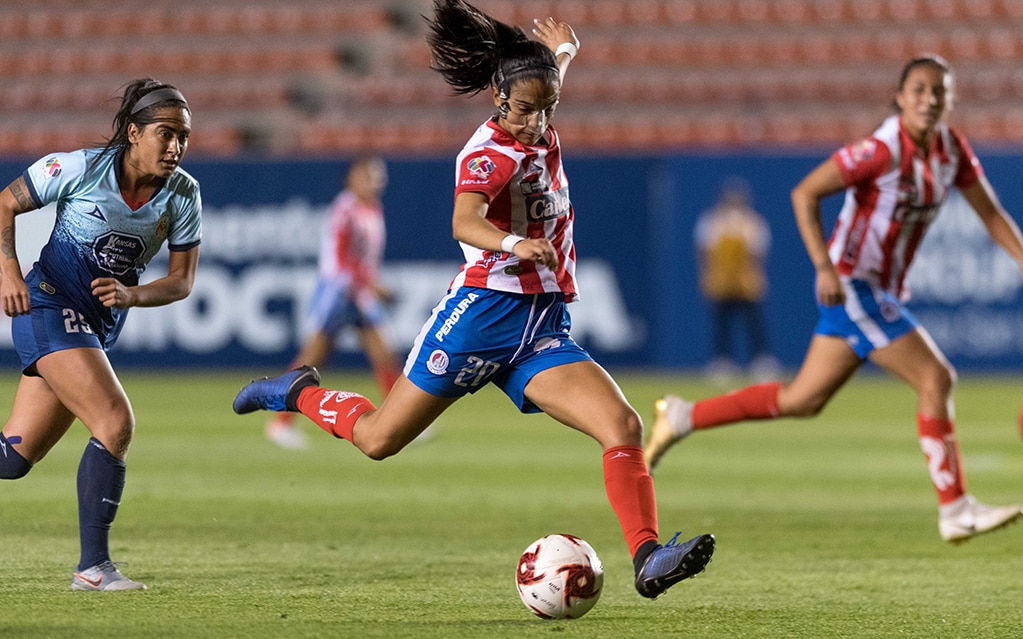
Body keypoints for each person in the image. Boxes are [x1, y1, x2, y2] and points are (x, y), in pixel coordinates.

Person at [234, 0, 714, 599]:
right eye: (525, 108)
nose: (536, 121)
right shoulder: (489, 153)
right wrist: (516, 243)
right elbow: (464, 221)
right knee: (379, 440)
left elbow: (542, 83)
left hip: (539, 328)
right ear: (497, 98)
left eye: (547, 107)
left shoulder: (534, 104)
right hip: (481, 317)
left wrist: (563, 53)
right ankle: (294, 392)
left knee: (622, 424)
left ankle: (647, 556)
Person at [645, 55, 1023, 544]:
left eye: (939, 91)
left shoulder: (952, 149)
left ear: (950, 99)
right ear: (901, 97)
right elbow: (805, 192)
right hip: (853, 284)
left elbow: (991, 215)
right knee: (936, 378)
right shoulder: (881, 149)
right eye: (919, 90)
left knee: (802, 400)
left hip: (879, 289)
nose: (929, 99)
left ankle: (682, 416)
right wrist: (824, 266)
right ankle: (955, 509)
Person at [0, 78, 201, 590]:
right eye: (165, 133)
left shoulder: (183, 194)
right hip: (48, 303)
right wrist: (8, 274)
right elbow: (4, 204)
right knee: (115, 421)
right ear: (133, 133)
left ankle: (93, 568)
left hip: (93, 327)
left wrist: (133, 295)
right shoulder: (79, 168)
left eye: (183, 136)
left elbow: (181, 281)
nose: (176, 146)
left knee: (13, 459)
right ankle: (93, 568)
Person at [265, 156, 402, 450]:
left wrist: (367, 285)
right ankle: (280, 422)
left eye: (379, 177)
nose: (376, 182)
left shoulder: (372, 208)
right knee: (312, 358)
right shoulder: (345, 210)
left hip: (358, 292)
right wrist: (372, 285)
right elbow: (342, 260)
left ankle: (400, 419)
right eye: (369, 176)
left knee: (384, 353)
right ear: (352, 178)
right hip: (338, 292)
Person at [694, 177, 779, 385]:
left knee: (754, 322)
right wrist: (705, 276)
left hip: (746, 280)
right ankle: (722, 362)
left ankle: (761, 361)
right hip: (722, 280)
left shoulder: (753, 222)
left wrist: (759, 276)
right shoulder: (711, 221)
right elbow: (703, 251)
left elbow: (759, 253)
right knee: (722, 323)